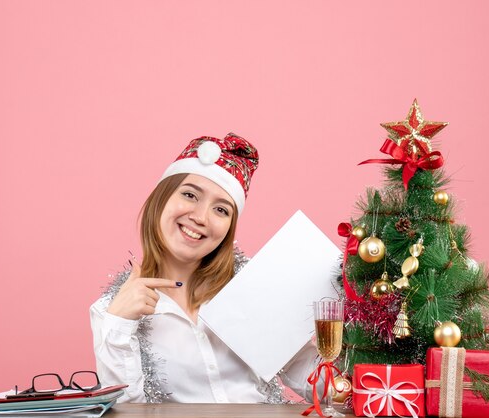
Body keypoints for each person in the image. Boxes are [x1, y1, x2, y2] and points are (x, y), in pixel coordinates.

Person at [90, 133, 318, 403]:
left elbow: (323, 384)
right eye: (189, 195)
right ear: (160, 199)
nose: (200, 217)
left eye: (221, 210)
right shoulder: (110, 310)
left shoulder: (252, 289)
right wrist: (119, 323)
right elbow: (127, 410)